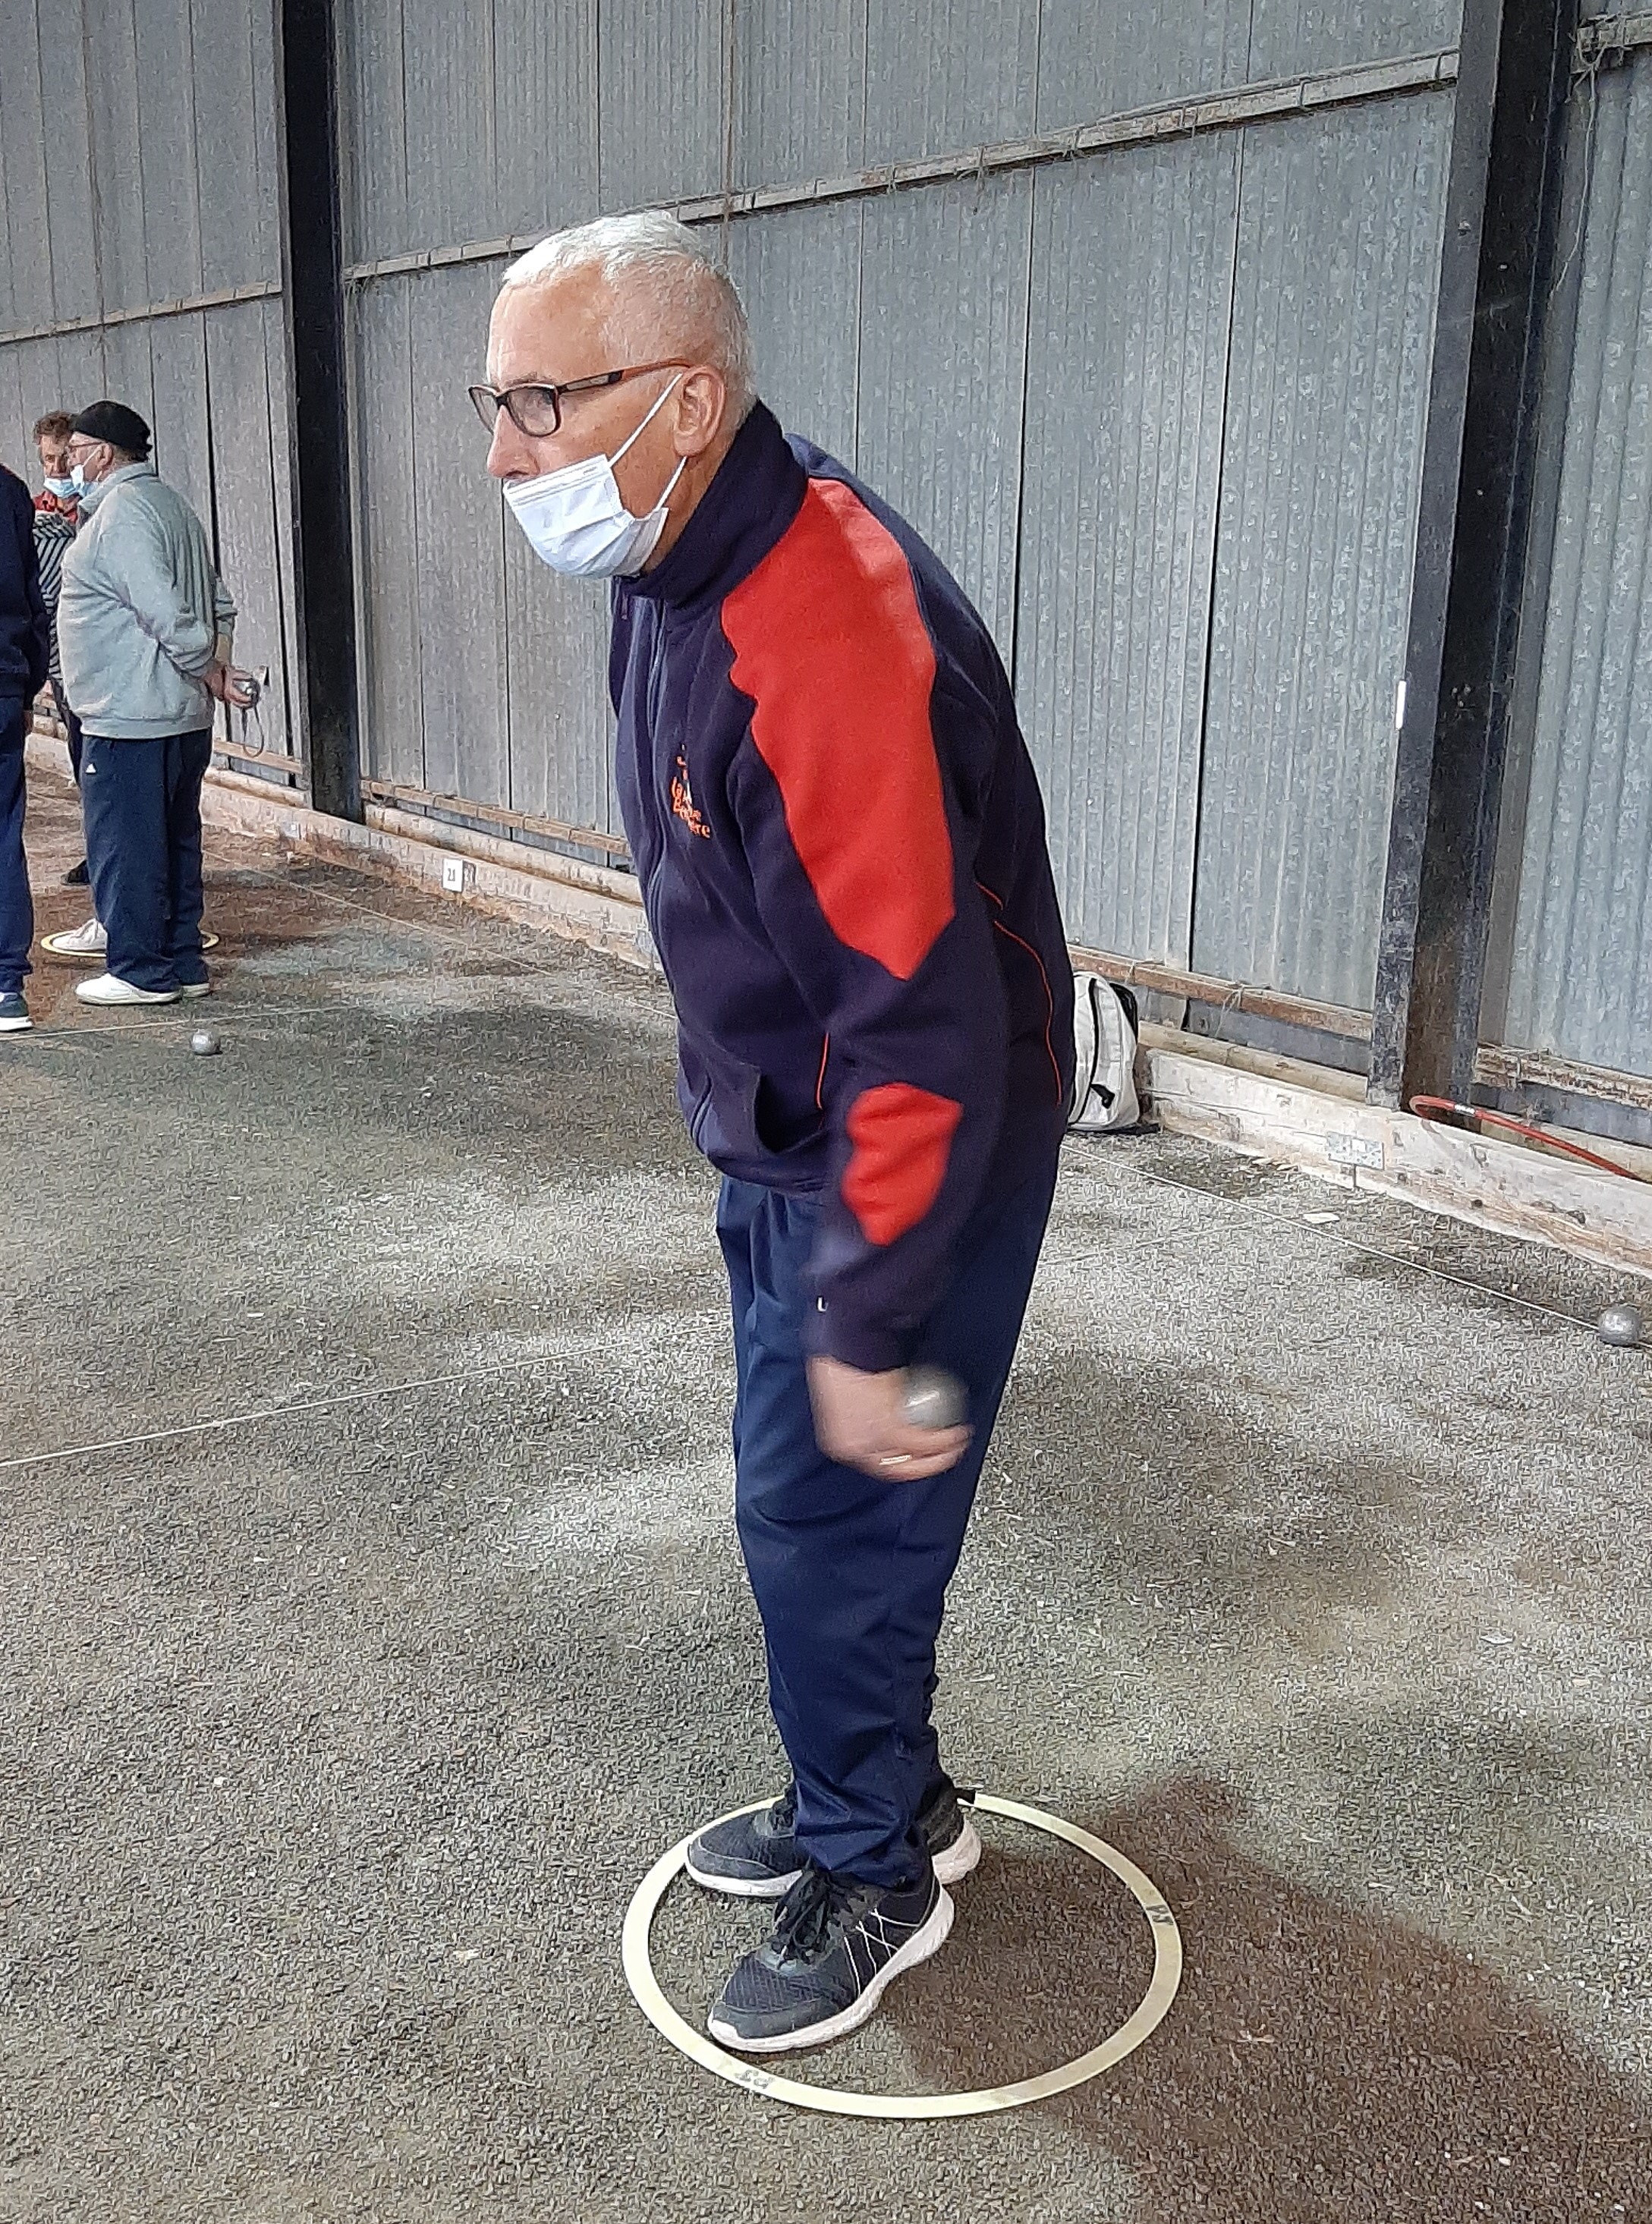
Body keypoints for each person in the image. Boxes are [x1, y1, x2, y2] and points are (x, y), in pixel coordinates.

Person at [477, 212, 1074, 2052]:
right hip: (789, 1121)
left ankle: (874, 1865)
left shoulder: (817, 630)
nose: (504, 454)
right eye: (494, 404)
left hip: (911, 1140)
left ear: (688, 400)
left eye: (541, 403)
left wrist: (867, 1306)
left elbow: (921, 1030)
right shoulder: (669, 558)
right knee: (824, 1507)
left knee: (826, 1510)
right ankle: (882, 1789)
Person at [55, 401, 247, 1008]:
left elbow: (163, 610)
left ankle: (140, 969)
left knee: (128, 848)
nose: (67, 464)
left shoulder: (122, 514)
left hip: (130, 717)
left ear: (103, 453)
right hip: (179, 715)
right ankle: (182, 961)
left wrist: (207, 667)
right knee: (175, 843)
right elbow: (220, 603)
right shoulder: (172, 505)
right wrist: (213, 669)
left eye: (74, 451)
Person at [1, 458, 51, 1034]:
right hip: (3, 683)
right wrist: (27, 685)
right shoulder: (11, 491)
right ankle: (6, 987)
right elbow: (33, 601)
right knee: (3, 834)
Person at [31, 410, 89, 882]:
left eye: (63, 457)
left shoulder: (99, 509)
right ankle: (98, 847)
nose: (56, 469)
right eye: (48, 460)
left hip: (97, 656)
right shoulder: (33, 514)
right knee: (81, 757)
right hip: (59, 659)